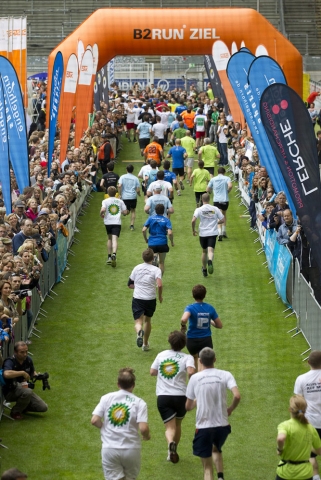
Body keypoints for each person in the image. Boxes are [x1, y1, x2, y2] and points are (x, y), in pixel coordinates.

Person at [185, 347, 240, 480]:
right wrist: (231, 409)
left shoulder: (195, 378)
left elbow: (188, 407)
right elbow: (237, 396)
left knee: (207, 468)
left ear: (200, 361)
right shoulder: (226, 374)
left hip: (204, 427)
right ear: (214, 359)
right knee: (216, 449)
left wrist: (197, 400)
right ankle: (220, 477)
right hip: (223, 426)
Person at [91, 367, 150, 480]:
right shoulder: (140, 403)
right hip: (131, 449)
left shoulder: (106, 398)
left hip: (110, 449)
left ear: (118, 384)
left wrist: (104, 427)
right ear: (133, 385)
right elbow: (143, 428)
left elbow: (94, 420)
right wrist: (147, 436)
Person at [150, 330, 195, 463]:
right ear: (184, 344)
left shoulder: (161, 355)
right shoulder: (188, 357)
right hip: (181, 396)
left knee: (170, 427)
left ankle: (170, 446)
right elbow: (191, 372)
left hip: (163, 397)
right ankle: (173, 449)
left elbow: (152, 372)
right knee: (178, 424)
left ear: (170, 342)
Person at [276, 394, 321, 480]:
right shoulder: (310, 428)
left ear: (290, 409)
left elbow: (281, 438)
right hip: (305, 474)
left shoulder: (285, 425)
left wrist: (279, 449)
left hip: (285, 473)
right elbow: (319, 451)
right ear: (305, 410)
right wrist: (308, 447)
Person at [2, 341, 48, 420]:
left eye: (26, 351)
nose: (25, 354)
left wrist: (38, 376)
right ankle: (15, 412)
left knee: (43, 407)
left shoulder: (28, 360)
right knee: (28, 391)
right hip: (10, 390)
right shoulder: (10, 361)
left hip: (24, 387)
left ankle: (23, 406)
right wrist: (22, 373)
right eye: (22, 352)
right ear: (15, 352)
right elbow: (6, 374)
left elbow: (32, 372)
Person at [128, 248, 163, 351]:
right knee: (147, 320)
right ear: (153, 258)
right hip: (150, 298)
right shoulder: (156, 270)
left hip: (138, 298)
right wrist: (160, 296)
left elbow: (130, 284)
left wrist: (138, 286)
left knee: (138, 322)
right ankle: (145, 344)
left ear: (143, 257)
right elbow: (160, 285)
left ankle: (139, 332)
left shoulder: (137, 268)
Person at [180, 285, 222, 370]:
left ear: (193, 295)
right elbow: (219, 325)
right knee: (203, 362)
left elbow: (184, 319)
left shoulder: (190, 308)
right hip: (206, 340)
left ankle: (194, 380)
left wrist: (183, 325)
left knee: (194, 358)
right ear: (204, 295)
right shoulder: (210, 308)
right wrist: (210, 321)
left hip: (192, 340)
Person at [294, 351, 321, 480]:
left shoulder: (302, 379)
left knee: (310, 455)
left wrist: (300, 416)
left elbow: (298, 403)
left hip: (311, 423)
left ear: (308, 362)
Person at [191, 193, 224, 276]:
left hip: (203, 233)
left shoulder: (199, 209)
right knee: (211, 250)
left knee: (204, 251)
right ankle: (210, 260)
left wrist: (193, 230)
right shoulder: (215, 209)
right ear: (209, 199)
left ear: (202, 200)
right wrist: (217, 222)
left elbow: (193, 220)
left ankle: (204, 269)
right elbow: (223, 220)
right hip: (213, 233)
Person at [100, 186, 128, 267]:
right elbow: (125, 212)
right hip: (117, 222)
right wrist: (124, 212)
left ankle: (109, 257)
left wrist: (101, 214)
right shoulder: (120, 201)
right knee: (115, 239)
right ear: (116, 193)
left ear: (108, 193)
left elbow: (103, 210)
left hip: (108, 222)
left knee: (109, 239)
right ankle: (114, 254)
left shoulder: (105, 201)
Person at [142, 203, 174, 274]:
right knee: (161, 262)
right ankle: (159, 281)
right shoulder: (166, 220)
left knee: (152, 258)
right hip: (162, 242)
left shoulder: (150, 218)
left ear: (155, 210)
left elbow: (143, 230)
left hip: (152, 242)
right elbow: (170, 233)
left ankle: (154, 259)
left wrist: (146, 239)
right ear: (164, 211)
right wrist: (172, 242)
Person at [207, 167, 233, 241]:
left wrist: (210, 191)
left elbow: (207, 189)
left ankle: (219, 232)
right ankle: (224, 230)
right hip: (225, 199)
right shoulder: (227, 178)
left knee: (218, 215)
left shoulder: (213, 179)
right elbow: (230, 186)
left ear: (217, 172)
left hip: (217, 200)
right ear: (224, 172)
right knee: (224, 214)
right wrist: (228, 191)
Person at [118, 164, 141, 231]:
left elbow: (119, 186)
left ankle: (123, 213)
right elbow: (138, 189)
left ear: (126, 170)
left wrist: (120, 194)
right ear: (133, 170)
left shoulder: (122, 177)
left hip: (125, 197)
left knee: (126, 211)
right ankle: (132, 225)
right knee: (133, 210)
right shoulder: (135, 178)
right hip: (133, 196)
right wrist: (139, 194)